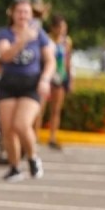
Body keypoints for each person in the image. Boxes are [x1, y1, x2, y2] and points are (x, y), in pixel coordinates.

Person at [0, 0, 55, 182]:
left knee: (21, 124)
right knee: (8, 129)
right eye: (19, 11)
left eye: (26, 12)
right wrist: (22, 40)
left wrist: (45, 79)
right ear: (12, 13)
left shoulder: (40, 34)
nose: (22, 15)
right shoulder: (4, 34)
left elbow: (50, 60)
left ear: (31, 14)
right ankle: (14, 167)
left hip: (31, 84)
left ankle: (33, 157)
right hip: (9, 84)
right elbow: (5, 56)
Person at [43, 14, 72, 150]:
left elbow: (68, 61)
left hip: (60, 77)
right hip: (47, 77)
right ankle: (34, 135)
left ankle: (52, 137)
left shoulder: (67, 41)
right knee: (40, 108)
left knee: (56, 109)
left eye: (64, 27)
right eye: (60, 27)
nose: (62, 30)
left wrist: (69, 79)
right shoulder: (46, 40)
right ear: (54, 28)